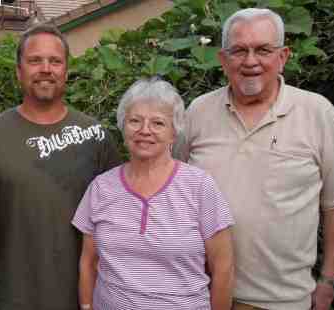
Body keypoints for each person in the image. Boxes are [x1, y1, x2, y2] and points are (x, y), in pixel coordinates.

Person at [178, 8, 334, 310]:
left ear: (283, 56)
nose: (251, 61)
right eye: (239, 51)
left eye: (263, 50)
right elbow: (172, 186)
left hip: (282, 301)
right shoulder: (197, 112)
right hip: (201, 294)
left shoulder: (316, 112)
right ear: (223, 60)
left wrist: (329, 282)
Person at [0, 24, 121, 310]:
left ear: (66, 71)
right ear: (18, 71)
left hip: (82, 298)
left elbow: (119, 222)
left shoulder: (95, 135)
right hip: (9, 298)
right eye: (34, 60)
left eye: (55, 61)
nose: (45, 68)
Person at [72, 77, 234, 310]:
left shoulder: (200, 186)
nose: (144, 130)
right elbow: (88, 262)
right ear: (123, 127)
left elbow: (223, 268)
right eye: (135, 121)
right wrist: (86, 306)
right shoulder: (101, 187)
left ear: (173, 133)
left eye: (158, 123)